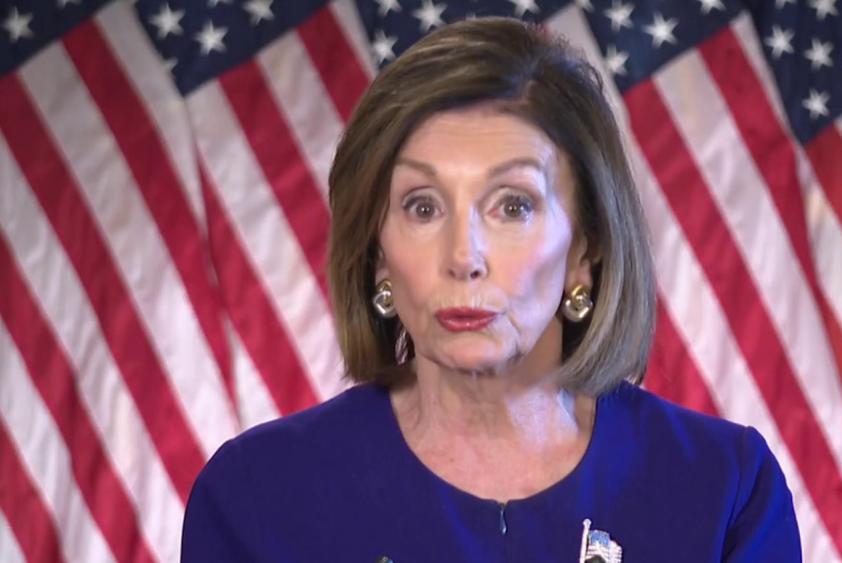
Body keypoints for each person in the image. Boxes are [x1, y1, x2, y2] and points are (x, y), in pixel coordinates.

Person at [181, 17, 801, 562]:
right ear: (377, 255)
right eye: (423, 207)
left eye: (513, 205)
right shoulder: (257, 497)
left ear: (584, 251)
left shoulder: (724, 491)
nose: (464, 257)